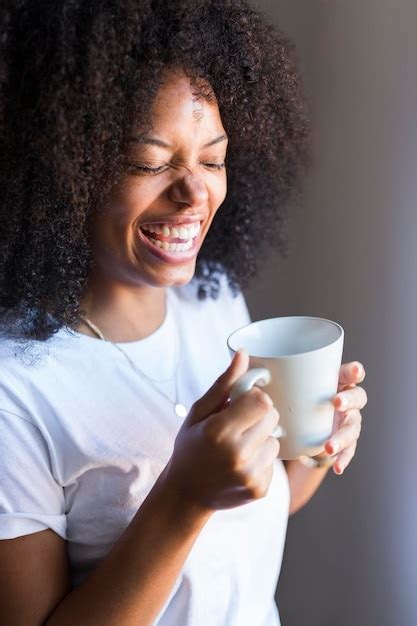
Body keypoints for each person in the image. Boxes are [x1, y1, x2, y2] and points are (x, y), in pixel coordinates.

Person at [0, 2, 368, 625]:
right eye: (150, 163)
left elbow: (251, 516)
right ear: (63, 168)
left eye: (213, 158)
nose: (195, 194)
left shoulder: (214, 302)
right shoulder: (16, 390)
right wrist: (184, 497)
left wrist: (311, 445)